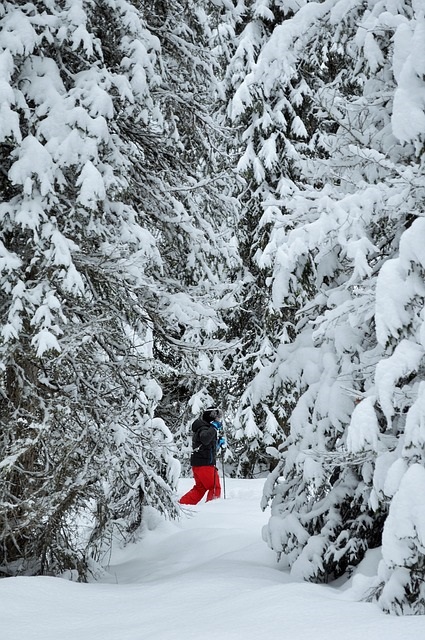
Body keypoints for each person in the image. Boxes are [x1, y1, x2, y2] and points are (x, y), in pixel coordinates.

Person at [179, 407, 225, 505]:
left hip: (199, 464)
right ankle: (213, 509)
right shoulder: (203, 428)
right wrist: (214, 427)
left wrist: (217, 443)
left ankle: (182, 504)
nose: (218, 420)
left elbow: (206, 445)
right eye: (216, 417)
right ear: (211, 417)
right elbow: (205, 439)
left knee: (200, 488)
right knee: (214, 487)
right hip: (205, 464)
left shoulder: (203, 427)